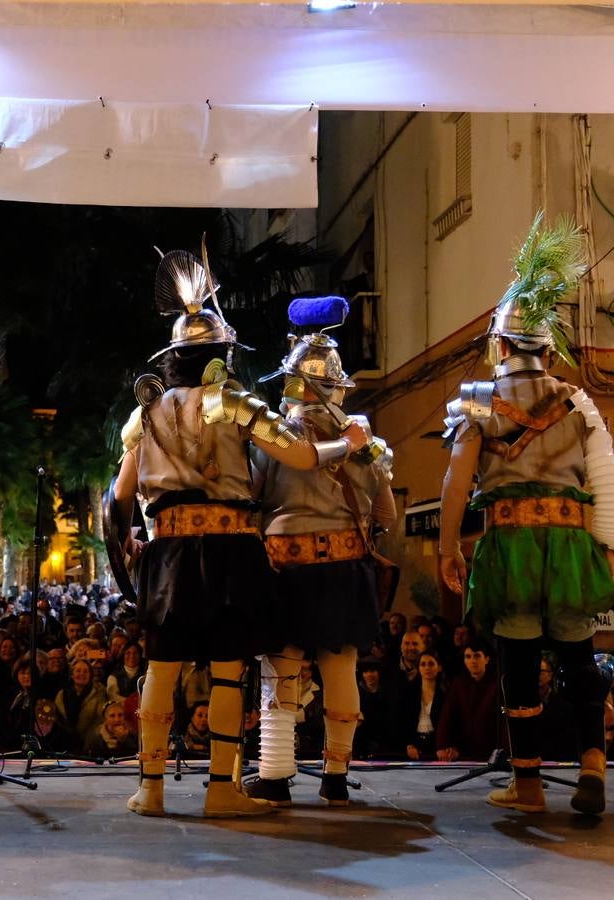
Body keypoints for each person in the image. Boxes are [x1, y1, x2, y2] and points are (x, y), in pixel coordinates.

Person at [109, 249, 374, 818]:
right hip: (229, 551)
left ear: (174, 356)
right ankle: (220, 791)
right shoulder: (235, 401)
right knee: (228, 671)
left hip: (167, 553)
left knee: (162, 669)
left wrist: (123, 567)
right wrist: (345, 446)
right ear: (221, 354)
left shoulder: (145, 415)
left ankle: (150, 789)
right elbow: (301, 456)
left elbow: (118, 499)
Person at [438, 214, 614, 816]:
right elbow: (607, 481)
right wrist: (611, 548)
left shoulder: (478, 402)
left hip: (512, 547)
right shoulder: (578, 401)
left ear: (499, 346)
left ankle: (527, 786)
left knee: (518, 662)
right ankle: (592, 766)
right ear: (549, 349)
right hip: (572, 546)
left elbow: (456, 480)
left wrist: (448, 547)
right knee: (577, 657)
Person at [247, 295, 397, 807]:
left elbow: (253, 497)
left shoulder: (273, 434)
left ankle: (275, 775)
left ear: (288, 383)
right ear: (337, 384)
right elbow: (388, 517)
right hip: (343, 566)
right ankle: (334, 778)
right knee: (341, 671)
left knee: (281, 671)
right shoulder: (366, 439)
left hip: (282, 567)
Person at [435, 638, 502, 762]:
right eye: (468, 656)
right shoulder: (458, 684)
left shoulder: (498, 684)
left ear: (487, 659)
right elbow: (447, 715)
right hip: (464, 749)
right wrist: (443, 745)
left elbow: (504, 720)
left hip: (493, 750)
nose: (472, 661)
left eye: (477, 656)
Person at [397, 651, 447, 760]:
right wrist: (409, 744)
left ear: (439, 667)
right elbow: (403, 721)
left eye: (431, 664)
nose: (427, 667)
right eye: (423, 664)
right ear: (418, 668)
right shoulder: (409, 692)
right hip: (414, 744)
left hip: (438, 746)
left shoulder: (446, 694)